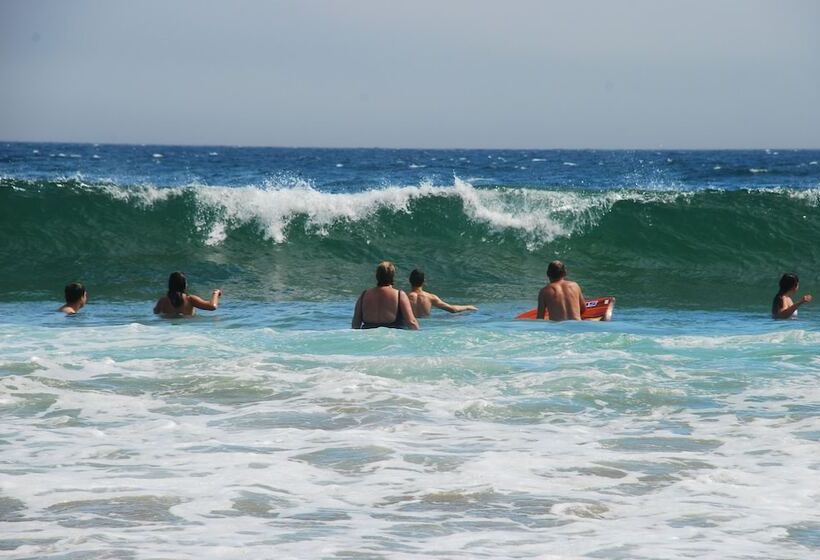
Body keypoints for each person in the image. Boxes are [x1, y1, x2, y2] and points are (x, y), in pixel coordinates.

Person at [352, 261, 419, 330]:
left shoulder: (364, 295)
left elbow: (355, 324)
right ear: (392, 275)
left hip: (368, 336)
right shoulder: (399, 295)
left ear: (377, 275)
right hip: (392, 336)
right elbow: (411, 322)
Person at [406, 269, 477, 318]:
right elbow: (453, 309)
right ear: (424, 281)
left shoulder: (404, 296)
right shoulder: (431, 297)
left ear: (409, 280)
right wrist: (468, 307)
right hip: (427, 327)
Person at [153, 272, 222, 317]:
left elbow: (156, 312)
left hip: (170, 332)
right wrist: (215, 293)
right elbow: (212, 306)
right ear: (184, 285)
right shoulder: (190, 299)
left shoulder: (163, 301)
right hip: (187, 330)